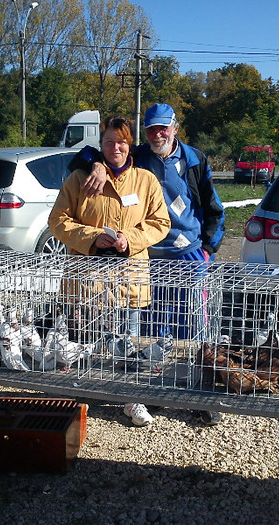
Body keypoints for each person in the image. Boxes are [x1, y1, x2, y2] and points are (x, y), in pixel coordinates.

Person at [69, 103, 226, 426]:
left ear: (175, 128)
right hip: (148, 256)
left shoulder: (195, 160)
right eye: (152, 129)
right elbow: (85, 155)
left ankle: (202, 395)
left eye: (163, 128)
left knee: (196, 328)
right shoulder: (138, 155)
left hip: (190, 254)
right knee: (153, 332)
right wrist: (97, 164)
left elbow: (214, 207)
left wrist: (209, 247)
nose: (158, 134)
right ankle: (153, 393)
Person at [48, 115, 170, 427]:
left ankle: (131, 400)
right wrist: (91, 237)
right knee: (81, 341)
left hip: (129, 279)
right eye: (109, 142)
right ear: (100, 146)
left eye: (121, 142)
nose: (115, 147)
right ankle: (76, 399)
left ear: (130, 146)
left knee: (126, 341)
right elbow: (58, 220)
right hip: (86, 280)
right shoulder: (80, 179)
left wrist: (132, 239)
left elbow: (160, 222)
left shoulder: (146, 181)